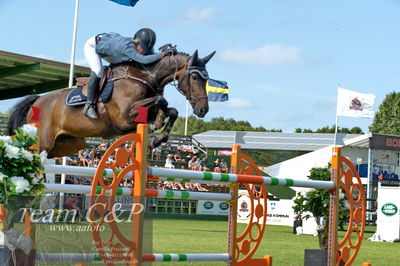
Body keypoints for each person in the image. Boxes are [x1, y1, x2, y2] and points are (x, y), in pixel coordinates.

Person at [83, 28, 167, 119]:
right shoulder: (127, 48)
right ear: (136, 42)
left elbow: (148, 56)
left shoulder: (136, 44)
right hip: (93, 46)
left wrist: (165, 54)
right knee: (98, 71)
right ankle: (89, 105)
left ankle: (142, 117)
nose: (145, 52)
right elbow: (144, 59)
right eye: (143, 48)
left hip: (112, 48)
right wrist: (161, 55)